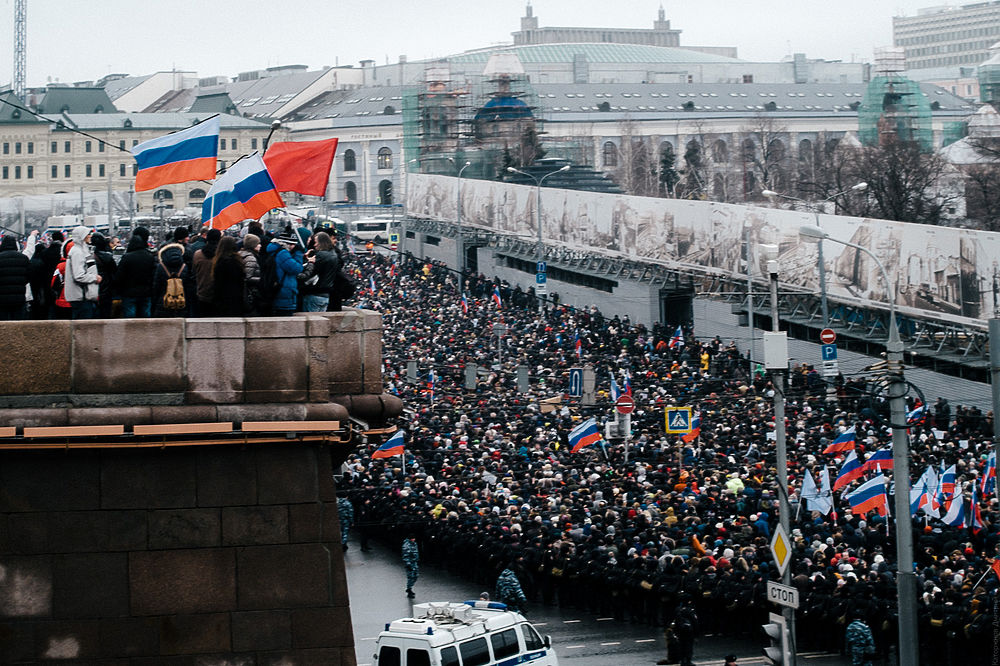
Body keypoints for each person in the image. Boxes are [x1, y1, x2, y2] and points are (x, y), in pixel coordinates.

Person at [116, 228, 155, 318]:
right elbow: (153, 275)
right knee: (145, 316)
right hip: (146, 292)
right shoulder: (149, 256)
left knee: (130, 317)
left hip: (129, 293)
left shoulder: (126, 257)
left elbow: (119, 276)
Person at [64, 225, 102, 320]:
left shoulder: (77, 250)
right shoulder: (78, 252)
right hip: (81, 296)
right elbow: (79, 276)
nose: (90, 236)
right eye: (88, 234)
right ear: (82, 236)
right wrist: (95, 278)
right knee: (84, 327)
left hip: (81, 296)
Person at [298, 231, 341, 312]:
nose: (314, 245)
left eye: (316, 242)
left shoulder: (320, 255)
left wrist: (307, 260)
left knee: (312, 322)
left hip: (315, 293)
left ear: (322, 243)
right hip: (325, 295)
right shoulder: (334, 255)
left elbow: (310, 272)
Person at [266, 233, 304, 316]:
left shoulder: (275, 251)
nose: (294, 247)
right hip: (284, 293)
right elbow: (297, 268)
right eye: (293, 244)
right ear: (288, 244)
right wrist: (298, 254)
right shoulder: (283, 253)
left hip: (278, 291)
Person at [210, 236, 245, 317]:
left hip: (222, 297)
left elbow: (217, 282)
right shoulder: (236, 261)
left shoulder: (218, 261)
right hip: (236, 296)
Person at [659, 595, 698, 666]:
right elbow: (694, 621)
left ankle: (682, 660)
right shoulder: (690, 610)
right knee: (688, 646)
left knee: (681, 645)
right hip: (688, 631)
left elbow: (676, 620)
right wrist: (696, 634)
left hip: (680, 631)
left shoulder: (678, 609)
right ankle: (688, 661)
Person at [0, 234, 31, 320]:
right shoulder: (24, 258)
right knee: (18, 325)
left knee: (3, 324)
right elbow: (29, 276)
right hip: (19, 297)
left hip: (2, 298)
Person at [192, 228, 221, 317]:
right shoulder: (222, 255)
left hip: (202, 293)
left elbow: (194, 272)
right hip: (219, 295)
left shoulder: (198, 254)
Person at [90, 233, 118, 319]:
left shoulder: (88, 256)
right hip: (106, 288)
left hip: (91, 287)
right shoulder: (107, 256)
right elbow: (115, 271)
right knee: (105, 313)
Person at [239, 233, 262, 315]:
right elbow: (248, 277)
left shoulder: (241, 254)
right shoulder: (251, 258)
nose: (260, 246)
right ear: (253, 245)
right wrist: (261, 280)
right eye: (258, 244)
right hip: (251, 292)